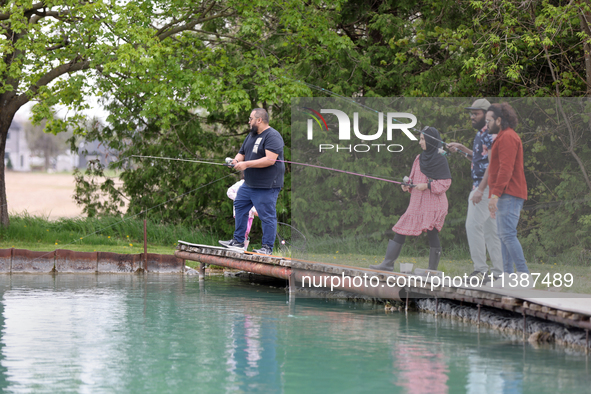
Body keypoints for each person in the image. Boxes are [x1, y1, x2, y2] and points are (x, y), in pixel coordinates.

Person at [370, 127, 452, 272]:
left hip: (434, 204)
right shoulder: (418, 158)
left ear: (431, 141)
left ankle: (431, 270)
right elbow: (412, 179)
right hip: (416, 203)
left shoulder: (440, 159)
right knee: (401, 229)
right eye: (420, 139)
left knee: (432, 232)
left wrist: (427, 185)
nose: (420, 142)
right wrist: (406, 185)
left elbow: (445, 183)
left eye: (422, 139)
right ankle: (388, 264)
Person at [447, 99, 503, 282]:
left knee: (472, 226)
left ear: (487, 115)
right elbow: (482, 157)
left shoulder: (489, 133)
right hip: (488, 188)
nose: (472, 116)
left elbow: (494, 161)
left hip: (484, 188)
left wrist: (480, 189)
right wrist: (463, 149)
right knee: (490, 231)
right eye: (471, 113)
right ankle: (498, 272)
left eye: (476, 113)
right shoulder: (483, 133)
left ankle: (480, 271)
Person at [219, 108, 285, 255]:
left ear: (259, 120)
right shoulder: (251, 136)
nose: (249, 122)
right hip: (249, 184)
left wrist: (246, 164)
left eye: (251, 119)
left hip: (267, 185)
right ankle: (238, 242)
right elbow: (242, 153)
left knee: (266, 215)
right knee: (240, 205)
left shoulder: (273, 136)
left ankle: (267, 248)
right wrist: (235, 161)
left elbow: (270, 159)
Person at [486, 103, 531, 285]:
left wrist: (495, 195)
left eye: (489, 121)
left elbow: (506, 168)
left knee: (508, 235)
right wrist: (493, 196)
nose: (486, 124)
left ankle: (523, 275)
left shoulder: (508, 137)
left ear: (499, 120)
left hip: (509, 193)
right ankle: (507, 277)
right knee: (504, 235)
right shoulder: (502, 136)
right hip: (504, 194)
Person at [226, 173, 258, 250]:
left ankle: (243, 248)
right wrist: (240, 198)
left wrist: (256, 210)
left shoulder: (253, 185)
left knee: (247, 232)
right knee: (243, 230)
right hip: (241, 212)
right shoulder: (240, 183)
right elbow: (229, 192)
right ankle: (239, 246)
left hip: (250, 215)